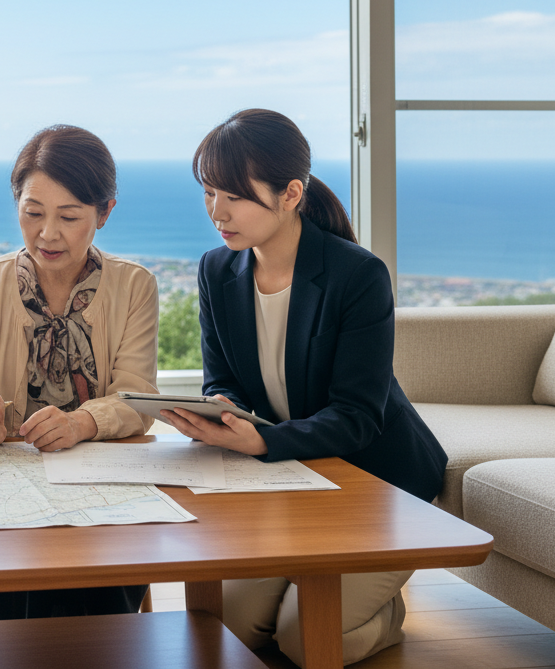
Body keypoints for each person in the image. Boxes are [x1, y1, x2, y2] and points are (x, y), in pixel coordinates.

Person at [167, 109, 448, 666]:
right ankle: (310, 583)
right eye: (208, 192)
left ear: (291, 192)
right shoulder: (216, 270)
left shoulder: (357, 276)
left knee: (302, 637)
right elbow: (222, 377)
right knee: (234, 624)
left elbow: (358, 416)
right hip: (296, 481)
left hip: (380, 485)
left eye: (235, 197)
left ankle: (387, 613)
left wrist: (263, 441)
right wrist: (222, 412)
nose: (217, 212)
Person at [0, 124, 159, 620]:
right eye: (32, 213)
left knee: (95, 599)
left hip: (102, 491)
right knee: (13, 604)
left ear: (104, 213)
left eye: (69, 216)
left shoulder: (135, 287)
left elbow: (138, 400)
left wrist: (81, 423)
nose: (48, 233)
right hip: (6, 490)